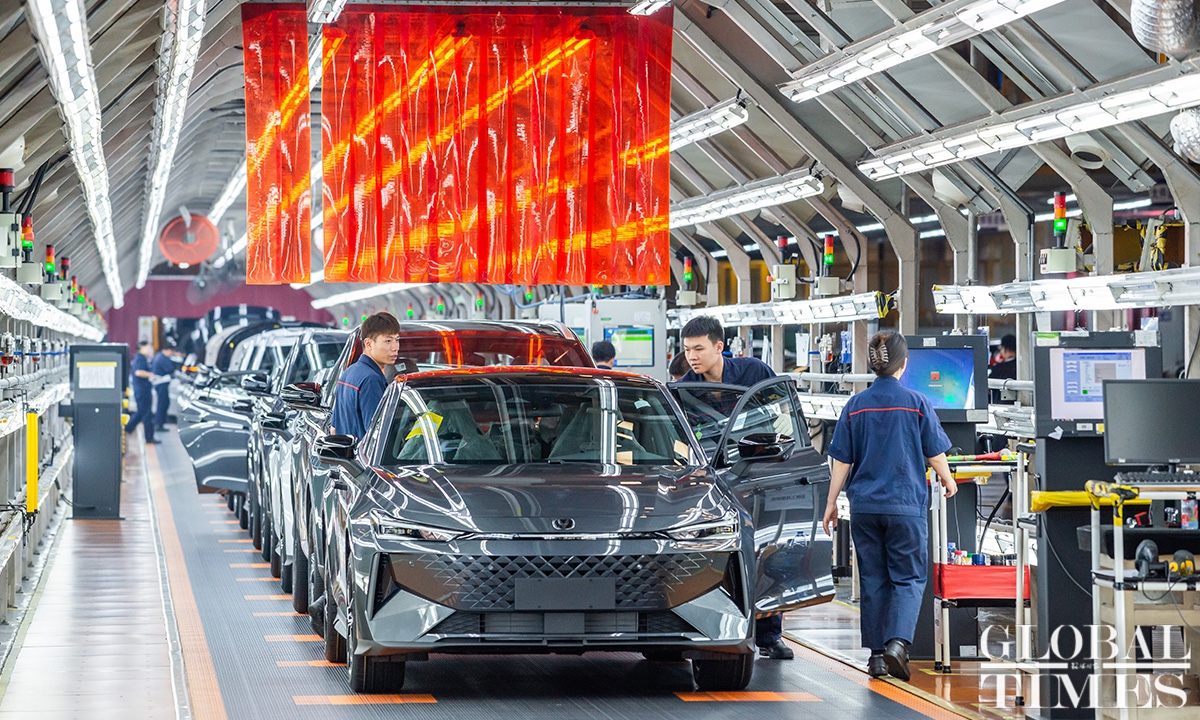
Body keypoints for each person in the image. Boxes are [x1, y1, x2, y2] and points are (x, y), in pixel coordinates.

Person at [822, 331, 957, 681]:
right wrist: (948, 479)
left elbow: (841, 461)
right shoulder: (916, 402)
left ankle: (877, 657)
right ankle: (898, 643)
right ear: (904, 364)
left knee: (873, 579)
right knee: (908, 577)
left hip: (865, 507)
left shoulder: (855, 405)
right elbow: (935, 452)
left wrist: (831, 502)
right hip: (905, 506)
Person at [678, 316, 792, 659]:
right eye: (687, 349)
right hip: (712, 483)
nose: (692, 356)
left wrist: (782, 433)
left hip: (757, 475)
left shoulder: (754, 372)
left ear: (719, 347)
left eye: (699, 348)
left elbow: (781, 408)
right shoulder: (684, 389)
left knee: (766, 553)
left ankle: (770, 635)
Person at [331, 312, 402, 439]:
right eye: (388, 341)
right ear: (368, 344)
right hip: (363, 451)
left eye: (397, 340)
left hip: (346, 450)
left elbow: (334, 429)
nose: (395, 347)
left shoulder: (348, 373)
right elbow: (377, 435)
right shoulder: (371, 380)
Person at [125, 342, 157, 445]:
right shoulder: (140, 358)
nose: (150, 350)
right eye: (148, 347)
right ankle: (149, 437)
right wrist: (150, 374)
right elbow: (138, 372)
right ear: (142, 347)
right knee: (146, 413)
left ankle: (128, 428)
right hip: (142, 390)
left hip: (143, 389)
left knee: (142, 412)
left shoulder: (142, 358)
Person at [152, 346, 176, 432]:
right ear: (167, 350)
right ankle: (159, 424)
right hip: (161, 383)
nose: (171, 354)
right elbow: (169, 369)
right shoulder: (162, 358)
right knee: (162, 404)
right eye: (171, 352)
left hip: (161, 384)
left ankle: (160, 423)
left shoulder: (159, 356)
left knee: (164, 403)